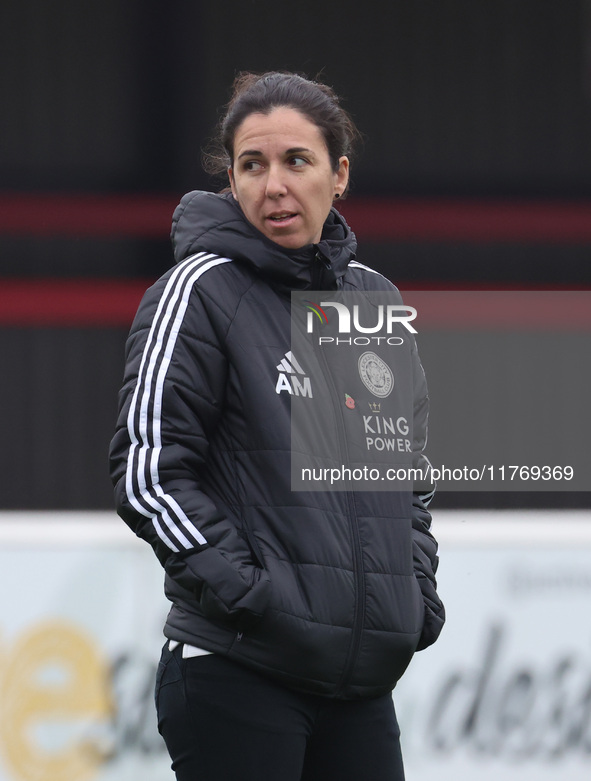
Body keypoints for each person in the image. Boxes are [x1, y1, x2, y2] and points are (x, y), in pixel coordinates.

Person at [109, 71, 445, 781]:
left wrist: (411, 595)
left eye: (296, 160)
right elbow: (148, 472)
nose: (273, 185)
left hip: (358, 687)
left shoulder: (373, 300)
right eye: (251, 165)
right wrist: (252, 596)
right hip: (239, 668)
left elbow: (403, 477)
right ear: (230, 179)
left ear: (339, 173)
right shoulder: (198, 291)